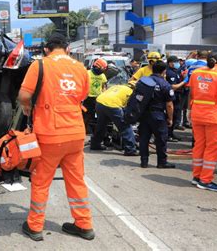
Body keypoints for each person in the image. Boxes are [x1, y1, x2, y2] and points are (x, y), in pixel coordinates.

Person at [19, 33, 94, 241]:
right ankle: (84, 225)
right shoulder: (80, 68)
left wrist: (27, 108)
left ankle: (34, 227)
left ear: (46, 49)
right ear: (67, 48)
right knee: (76, 180)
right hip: (76, 133)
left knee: (41, 181)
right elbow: (83, 96)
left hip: (50, 134)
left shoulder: (40, 65)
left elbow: (24, 95)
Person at [188, 51, 217, 192]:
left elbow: (191, 93)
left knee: (199, 146)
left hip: (197, 113)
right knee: (213, 148)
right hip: (215, 116)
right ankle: (205, 180)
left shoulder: (196, 73)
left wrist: (190, 110)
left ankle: (197, 176)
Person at [139, 60, 176, 169]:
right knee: (161, 139)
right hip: (158, 115)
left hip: (144, 114)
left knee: (144, 139)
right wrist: (170, 119)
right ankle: (162, 162)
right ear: (164, 71)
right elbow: (169, 105)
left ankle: (144, 162)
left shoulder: (143, 81)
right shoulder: (165, 84)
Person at [89, 82, 138, 155]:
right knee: (125, 126)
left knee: (101, 125)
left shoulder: (117, 85)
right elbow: (128, 108)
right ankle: (130, 149)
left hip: (99, 102)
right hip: (112, 105)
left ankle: (95, 144)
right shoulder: (130, 92)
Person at [83, 58, 108, 134]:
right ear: (97, 67)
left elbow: (104, 86)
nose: (102, 71)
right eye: (102, 69)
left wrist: (104, 93)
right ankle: (84, 131)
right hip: (88, 98)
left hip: (98, 98)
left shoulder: (103, 76)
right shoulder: (87, 73)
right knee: (86, 116)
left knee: (98, 116)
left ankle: (96, 131)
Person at [165, 56, 186, 141]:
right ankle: (168, 135)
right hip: (172, 96)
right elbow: (173, 86)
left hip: (177, 96)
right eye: (175, 62)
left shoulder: (175, 71)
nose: (177, 64)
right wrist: (184, 82)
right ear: (170, 63)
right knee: (172, 115)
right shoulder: (170, 73)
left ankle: (171, 133)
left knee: (176, 115)